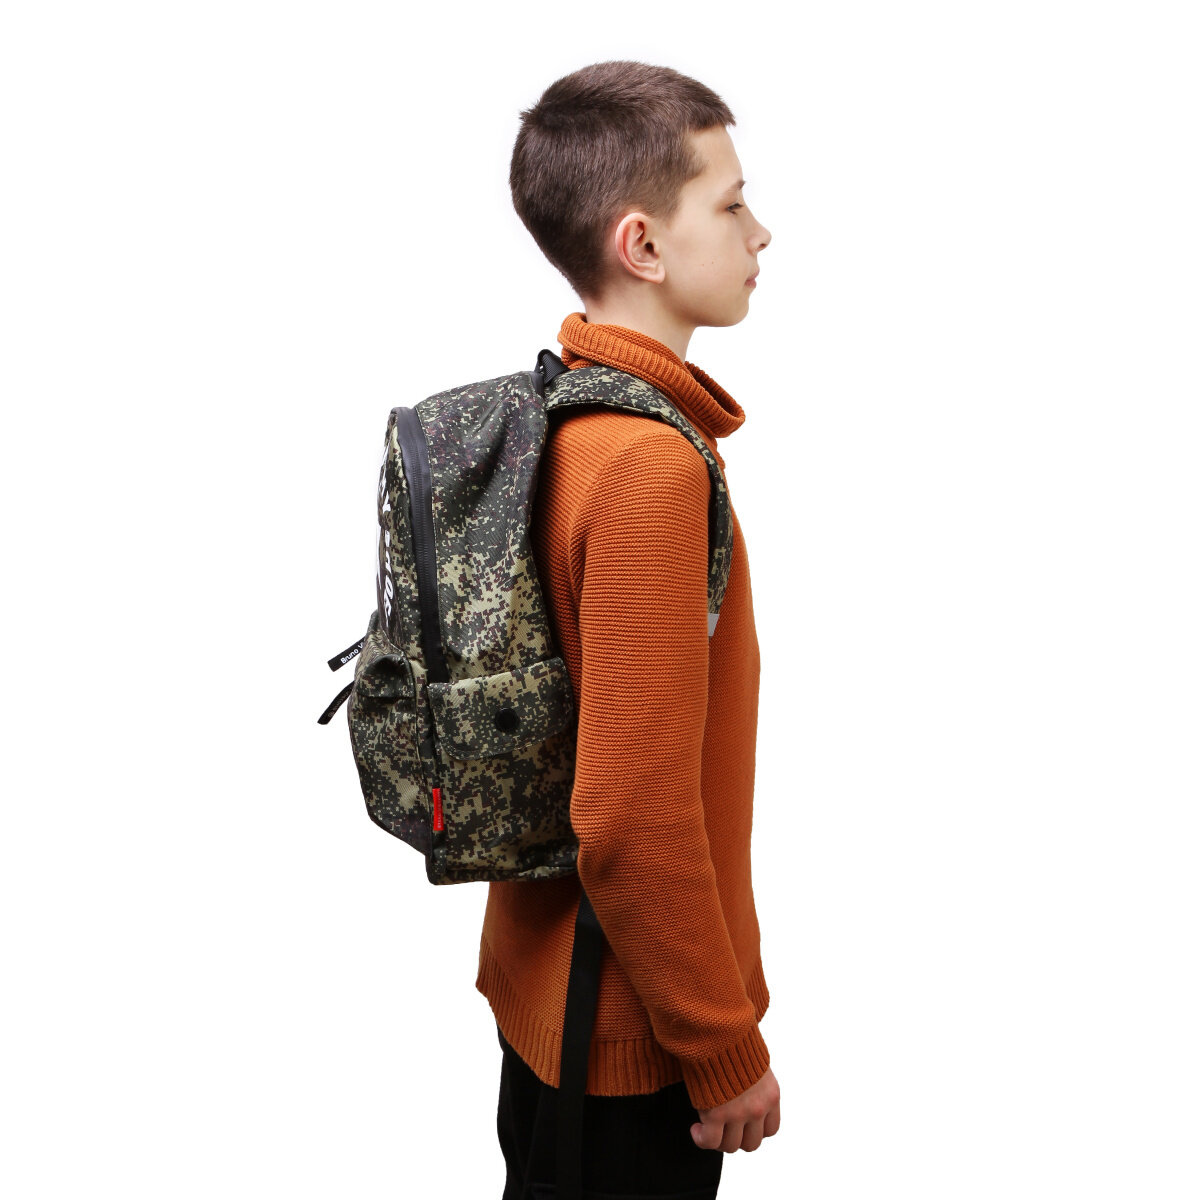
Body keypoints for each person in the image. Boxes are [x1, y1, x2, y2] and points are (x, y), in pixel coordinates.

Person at [476, 60, 778, 1199]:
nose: (760, 232)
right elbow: (630, 817)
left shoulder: (557, 419)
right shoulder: (649, 467)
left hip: (553, 1001)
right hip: (627, 1039)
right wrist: (723, 1047)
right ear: (642, 245)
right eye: (731, 204)